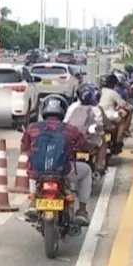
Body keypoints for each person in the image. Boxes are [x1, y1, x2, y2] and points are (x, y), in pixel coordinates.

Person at [21, 95, 93, 226]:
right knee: (87, 171)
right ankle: (82, 210)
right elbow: (85, 145)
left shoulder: (32, 128)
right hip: (63, 172)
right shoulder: (70, 129)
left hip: (39, 173)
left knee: (31, 165)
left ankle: (33, 200)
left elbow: (24, 147)